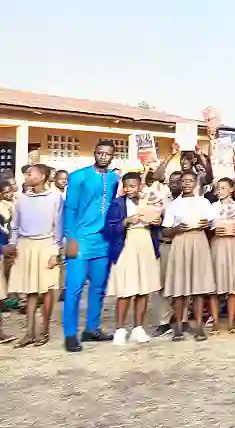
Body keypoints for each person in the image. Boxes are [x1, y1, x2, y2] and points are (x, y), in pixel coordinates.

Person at [62, 140, 121, 352]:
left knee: (98, 287)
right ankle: (70, 334)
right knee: (75, 288)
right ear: (94, 153)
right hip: (81, 239)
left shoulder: (115, 178)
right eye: (100, 153)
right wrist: (70, 238)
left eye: (108, 154)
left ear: (112, 156)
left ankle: (92, 329)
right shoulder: (79, 176)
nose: (103, 156)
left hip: (103, 240)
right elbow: (69, 209)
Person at [6, 163, 62, 347]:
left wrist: (56, 252)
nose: (27, 176)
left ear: (42, 177)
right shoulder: (21, 199)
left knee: (46, 291)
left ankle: (44, 331)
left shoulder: (55, 197)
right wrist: (13, 245)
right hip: (25, 245)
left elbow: (59, 227)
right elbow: (15, 225)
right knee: (29, 291)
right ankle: (29, 332)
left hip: (46, 245)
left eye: (31, 174)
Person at [103, 171, 162, 345]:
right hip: (127, 245)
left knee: (143, 289)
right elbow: (109, 228)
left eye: (133, 186)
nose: (129, 189)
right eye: (126, 186)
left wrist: (157, 222)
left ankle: (138, 328)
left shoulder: (149, 200)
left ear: (140, 186)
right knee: (125, 290)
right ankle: (120, 329)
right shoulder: (117, 204)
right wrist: (126, 221)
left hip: (145, 244)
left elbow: (158, 221)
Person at [161, 170, 217, 342]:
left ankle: (198, 326)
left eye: (190, 180)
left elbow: (213, 224)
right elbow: (165, 230)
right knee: (180, 288)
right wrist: (177, 229)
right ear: (179, 183)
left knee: (199, 288)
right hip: (180, 243)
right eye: (183, 180)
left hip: (199, 241)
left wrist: (207, 224)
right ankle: (178, 326)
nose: (186, 183)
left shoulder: (204, 202)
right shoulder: (173, 205)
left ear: (196, 183)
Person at [152, 170, 184, 336]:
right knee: (162, 284)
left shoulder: (191, 201)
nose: (174, 183)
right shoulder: (161, 199)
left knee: (182, 283)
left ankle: (182, 319)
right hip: (165, 245)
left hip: (182, 245)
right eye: (171, 180)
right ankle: (164, 321)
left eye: (178, 181)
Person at [211, 178, 235, 333]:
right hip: (218, 245)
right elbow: (207, 227)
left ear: (232, 189)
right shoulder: (212, 207)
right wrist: (213, 231)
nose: (220, 191)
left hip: (234, 245)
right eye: (219, 188)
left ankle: (231, 322)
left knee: (233, 286)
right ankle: (215, 321)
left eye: (224, 188)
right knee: (216, 285)